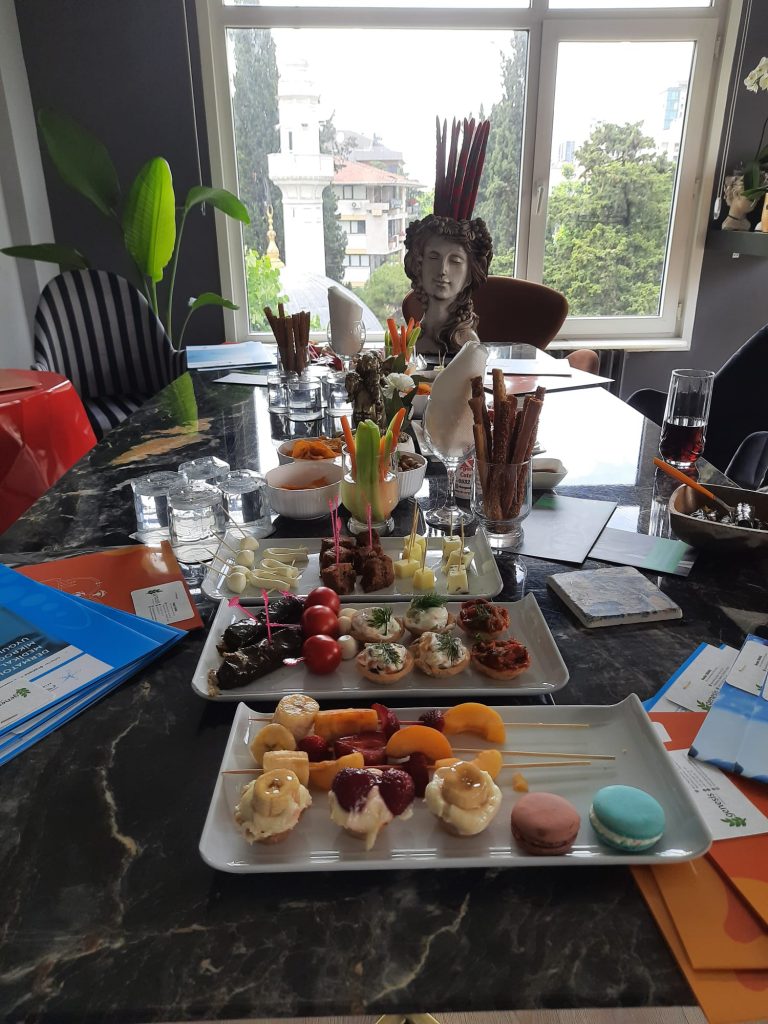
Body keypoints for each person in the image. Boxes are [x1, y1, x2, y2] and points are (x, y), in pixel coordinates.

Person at [404, 214, 493, 357]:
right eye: (433, 257)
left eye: (455, 261)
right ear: (419, 265)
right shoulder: (412, 340)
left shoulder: (468, 344)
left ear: (469, 274)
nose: (442, 270)